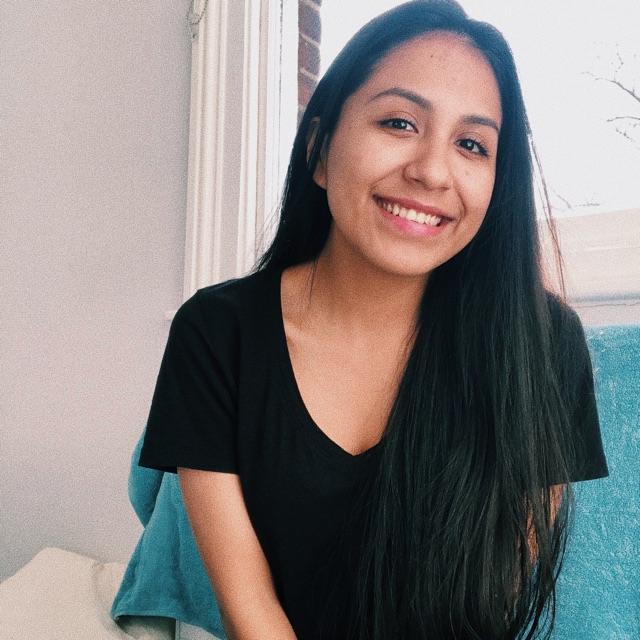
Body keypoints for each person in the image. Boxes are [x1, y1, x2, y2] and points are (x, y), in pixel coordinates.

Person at [138, 1, 609, 638]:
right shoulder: (217, 333)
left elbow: (497, 595)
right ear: (319, 149)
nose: (432, 171)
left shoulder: (542, 348)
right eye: (399, 122)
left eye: (472, 144)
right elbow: (249, 611)